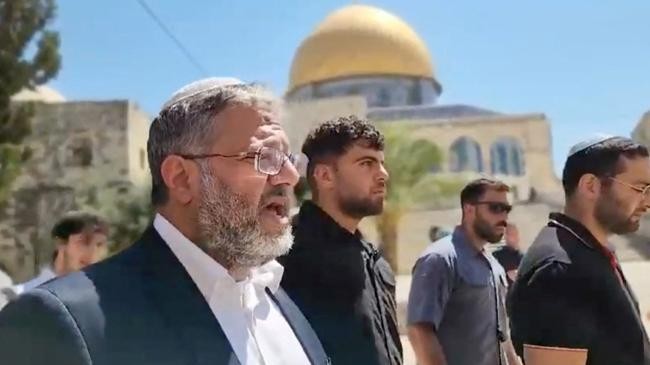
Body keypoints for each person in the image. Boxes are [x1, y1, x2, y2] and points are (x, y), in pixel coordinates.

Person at [0, 78, 328, 365]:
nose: (289, 176)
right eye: (265, 157)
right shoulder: (62, 324)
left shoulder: (274, 297)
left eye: (288, 158)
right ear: (182, 178)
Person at [508, 135, 650, 365]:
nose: (647, 202)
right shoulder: (560, 269)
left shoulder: (589, 251)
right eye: (640, 188)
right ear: (590, 186)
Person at [279, 116, 402, 365]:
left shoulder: (375, 261)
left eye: (381, 163)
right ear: (325, 176)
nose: (383, 175)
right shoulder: (283, 256)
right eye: (367, 163)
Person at [407, 178, 521, 365]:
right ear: (469, 209)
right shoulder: (439, 259)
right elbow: (420, 330)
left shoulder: (495, 266)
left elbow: (503, 336)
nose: (503, 218)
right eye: (495, 208)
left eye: (506, 209)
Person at [11, 211, 109, 296]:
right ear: (60, 242)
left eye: (99, 245)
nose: (92, 253)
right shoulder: (20, 296)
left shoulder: (105, 301)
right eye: (83, 242)